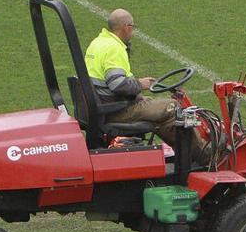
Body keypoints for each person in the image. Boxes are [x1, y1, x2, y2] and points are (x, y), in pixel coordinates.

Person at [85, 9, 204, 159]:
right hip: (118, 110)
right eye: (133, 27)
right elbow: (117, 85)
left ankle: (183, 156)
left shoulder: (97, 43)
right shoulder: (114, 48)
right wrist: (140, 84)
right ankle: (201, 156)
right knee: (173, 107)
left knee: (158, 110)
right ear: (127, 27)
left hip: (103, 106)